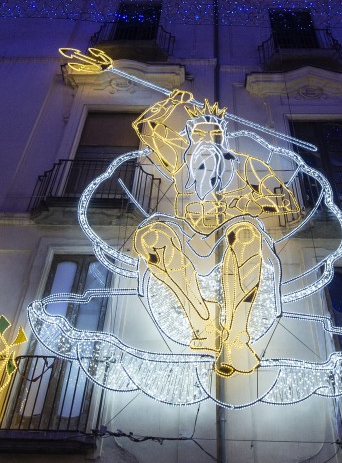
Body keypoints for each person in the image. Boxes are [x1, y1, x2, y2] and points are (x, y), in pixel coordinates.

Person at [119, 89, 302, 376]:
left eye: (213, 135)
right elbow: (147, 128)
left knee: (245, 233)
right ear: (190, 139)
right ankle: (202, 324)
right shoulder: (180, 163)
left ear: (223, 138)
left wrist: (244, 204)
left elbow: (287, 203)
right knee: (150, 236)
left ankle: (236, 337)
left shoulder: (247, 166)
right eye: (198, 136)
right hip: (189, 241)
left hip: (229, 241)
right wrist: (170, 103)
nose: (205, 142)